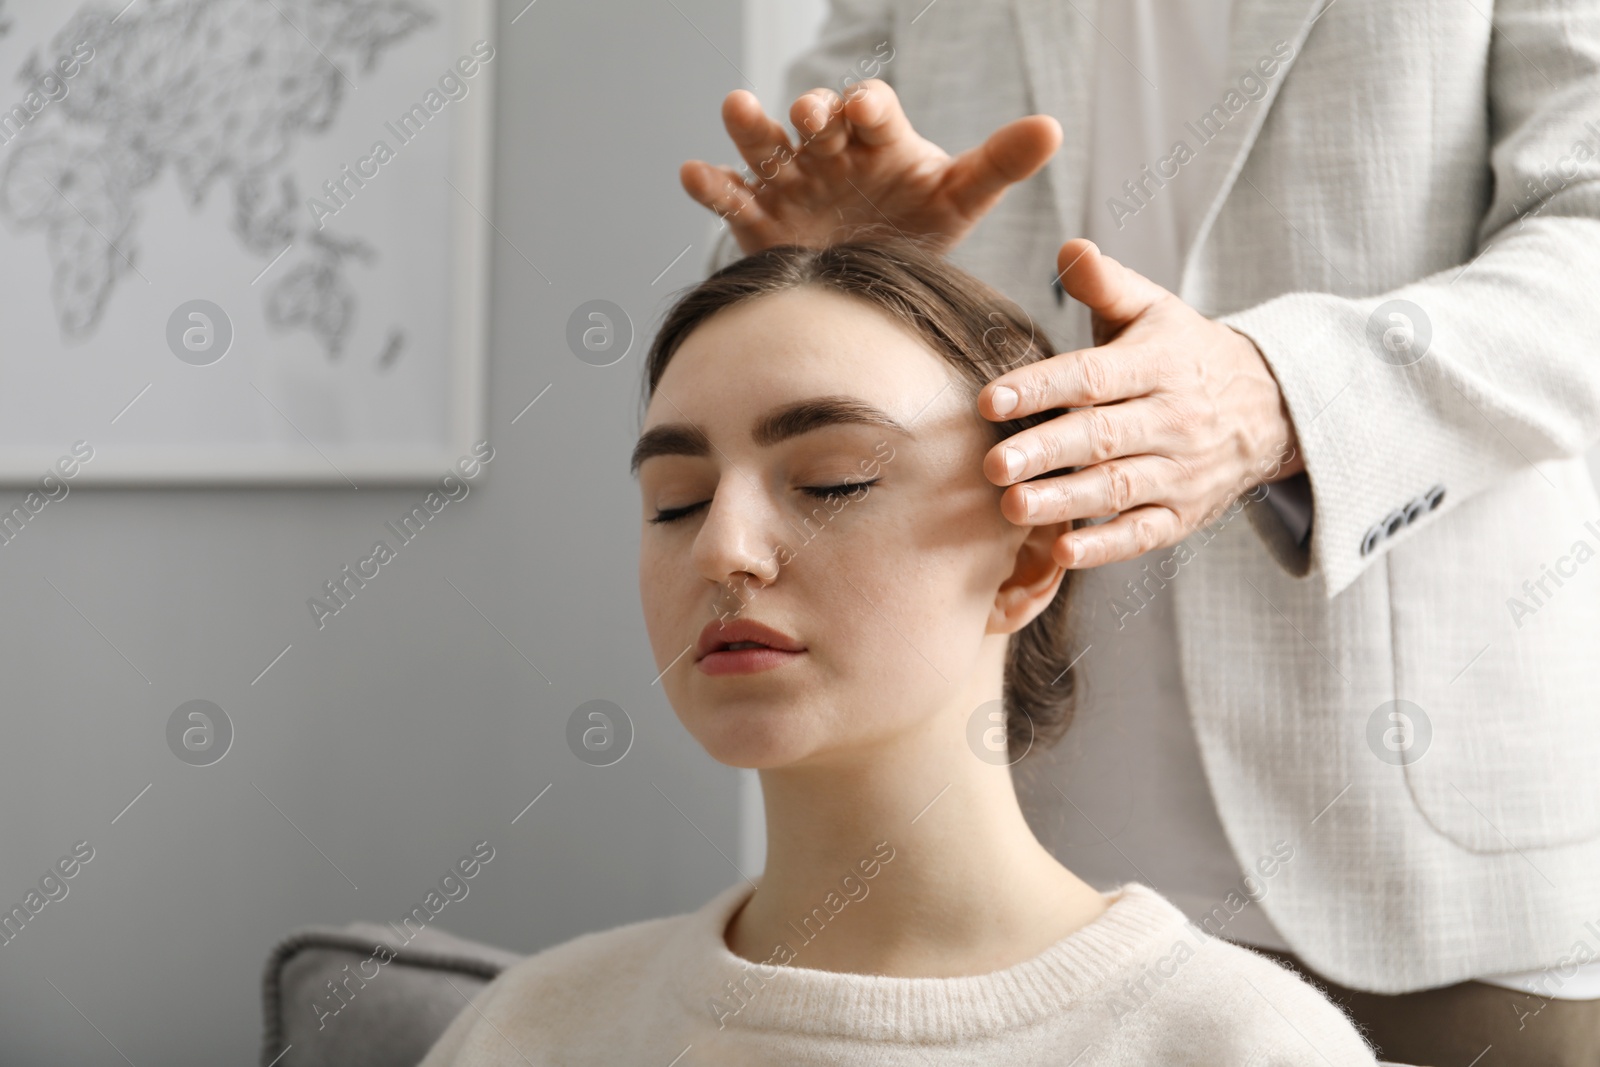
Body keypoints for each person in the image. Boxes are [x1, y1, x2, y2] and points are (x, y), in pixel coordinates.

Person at [678, 1, 1600, 1064]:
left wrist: (1279, 394)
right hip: (1012, 853)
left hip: (1433, 852)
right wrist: (844, 273)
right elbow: (793, 261)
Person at [414, 237, 1380, 1065]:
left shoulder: (1236, 1044)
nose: (721, 547)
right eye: (677, 498)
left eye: (831, 481)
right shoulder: (530, 1031)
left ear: (1027, 560)